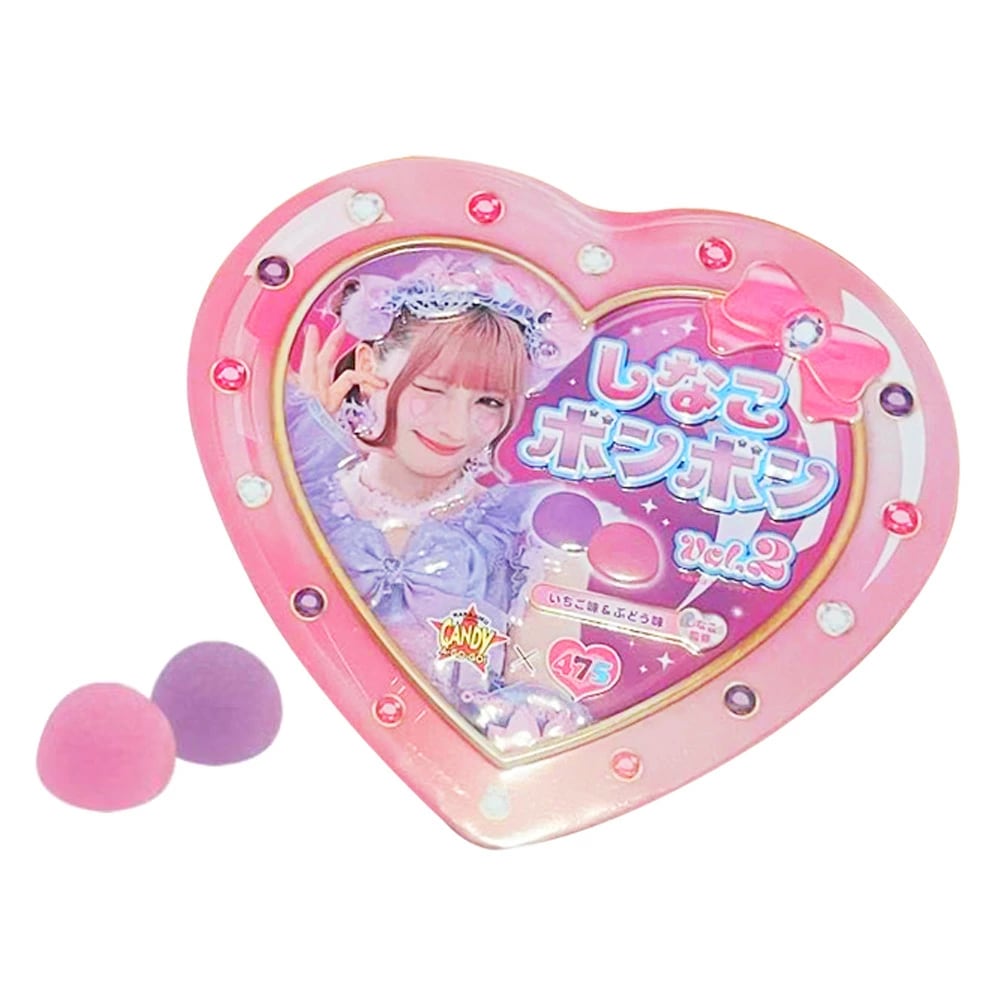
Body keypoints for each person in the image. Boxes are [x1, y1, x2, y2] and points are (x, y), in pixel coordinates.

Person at [284, 252, 591, 751]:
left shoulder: (530, 531)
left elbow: (541, 709)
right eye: (431, 388)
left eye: (489, 401)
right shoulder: (301, 484)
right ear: (368, 366)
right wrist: (296, 443)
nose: (455, 426)